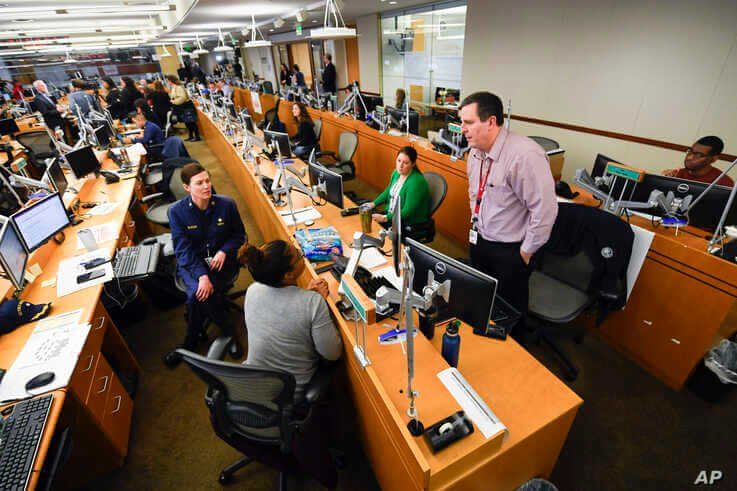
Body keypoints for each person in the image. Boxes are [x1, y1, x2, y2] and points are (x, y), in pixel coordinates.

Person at [459, 91, 557, 340]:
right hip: (480, 239)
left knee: (511, 312)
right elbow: (475, 195)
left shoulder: (525, 155)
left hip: (511, 250)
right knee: (482, 299)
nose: (462, 129)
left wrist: (525, 252)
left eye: (468, 123)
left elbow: (545, 211)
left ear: (491, 121)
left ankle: (517, 354)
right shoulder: (474, 153)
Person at [165, 163, 247, 367]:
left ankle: (188, 345)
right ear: (187, 187)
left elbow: (239, 236)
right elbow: (183, 250)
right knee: (200, 294)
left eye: (207, 181)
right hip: (193, 264)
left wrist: (224, 250)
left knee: (197, 297)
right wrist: (202, 275)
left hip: (222, 262)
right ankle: (229, 332)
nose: (206, 186)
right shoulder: (176, 212)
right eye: (199, 183)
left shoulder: (226, 205)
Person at [242, 239, 342, 394]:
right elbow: (332, 353)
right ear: (288, 275)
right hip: (289, 393)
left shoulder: (253, 290)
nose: (302, 254)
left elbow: (283, 309)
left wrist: (305, 296)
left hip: (254, 383)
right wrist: (312, 301)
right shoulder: (312, 303)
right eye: (300, 255)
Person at [366, 146, 431, 226]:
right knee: (365, 219)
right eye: (399, 161)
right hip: (391, 215)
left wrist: (385, 218)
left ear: (413, 164)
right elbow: (388, 191)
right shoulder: (397, 173)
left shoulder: (416, 183)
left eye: (406, 163)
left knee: (371, 227)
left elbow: (407, 212)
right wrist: (373, 204)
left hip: (407, 222)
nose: (400, 165)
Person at [662, 136, 733, 187]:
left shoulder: (723, 183)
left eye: (699, 155)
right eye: (690, 151)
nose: (690, 157)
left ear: (714, 159)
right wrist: (666, 181)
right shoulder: (677, 174)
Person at [166, 74, 200, 141]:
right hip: (181, 108)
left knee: (191, 122)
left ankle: (197, 136)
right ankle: (191, 136)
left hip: (186, 107)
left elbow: (182, 98)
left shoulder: (179, 87)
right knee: (187, 123)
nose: (168, 82)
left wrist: (174, 101)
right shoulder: (174, 87)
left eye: (168, 81)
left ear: (171, 80)